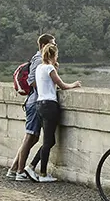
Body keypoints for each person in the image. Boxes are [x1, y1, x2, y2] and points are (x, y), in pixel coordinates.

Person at [8, 33, 75, 182]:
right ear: (44, 45)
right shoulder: (40, 60)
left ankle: (15, 169)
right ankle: (21, 171)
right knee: (31, 137)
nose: (55, 46)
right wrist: (46, 88)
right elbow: (32, 80)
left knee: (33, 137)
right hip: (38, 102)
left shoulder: (41, 62)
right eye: (53, 44)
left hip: (38, 102)